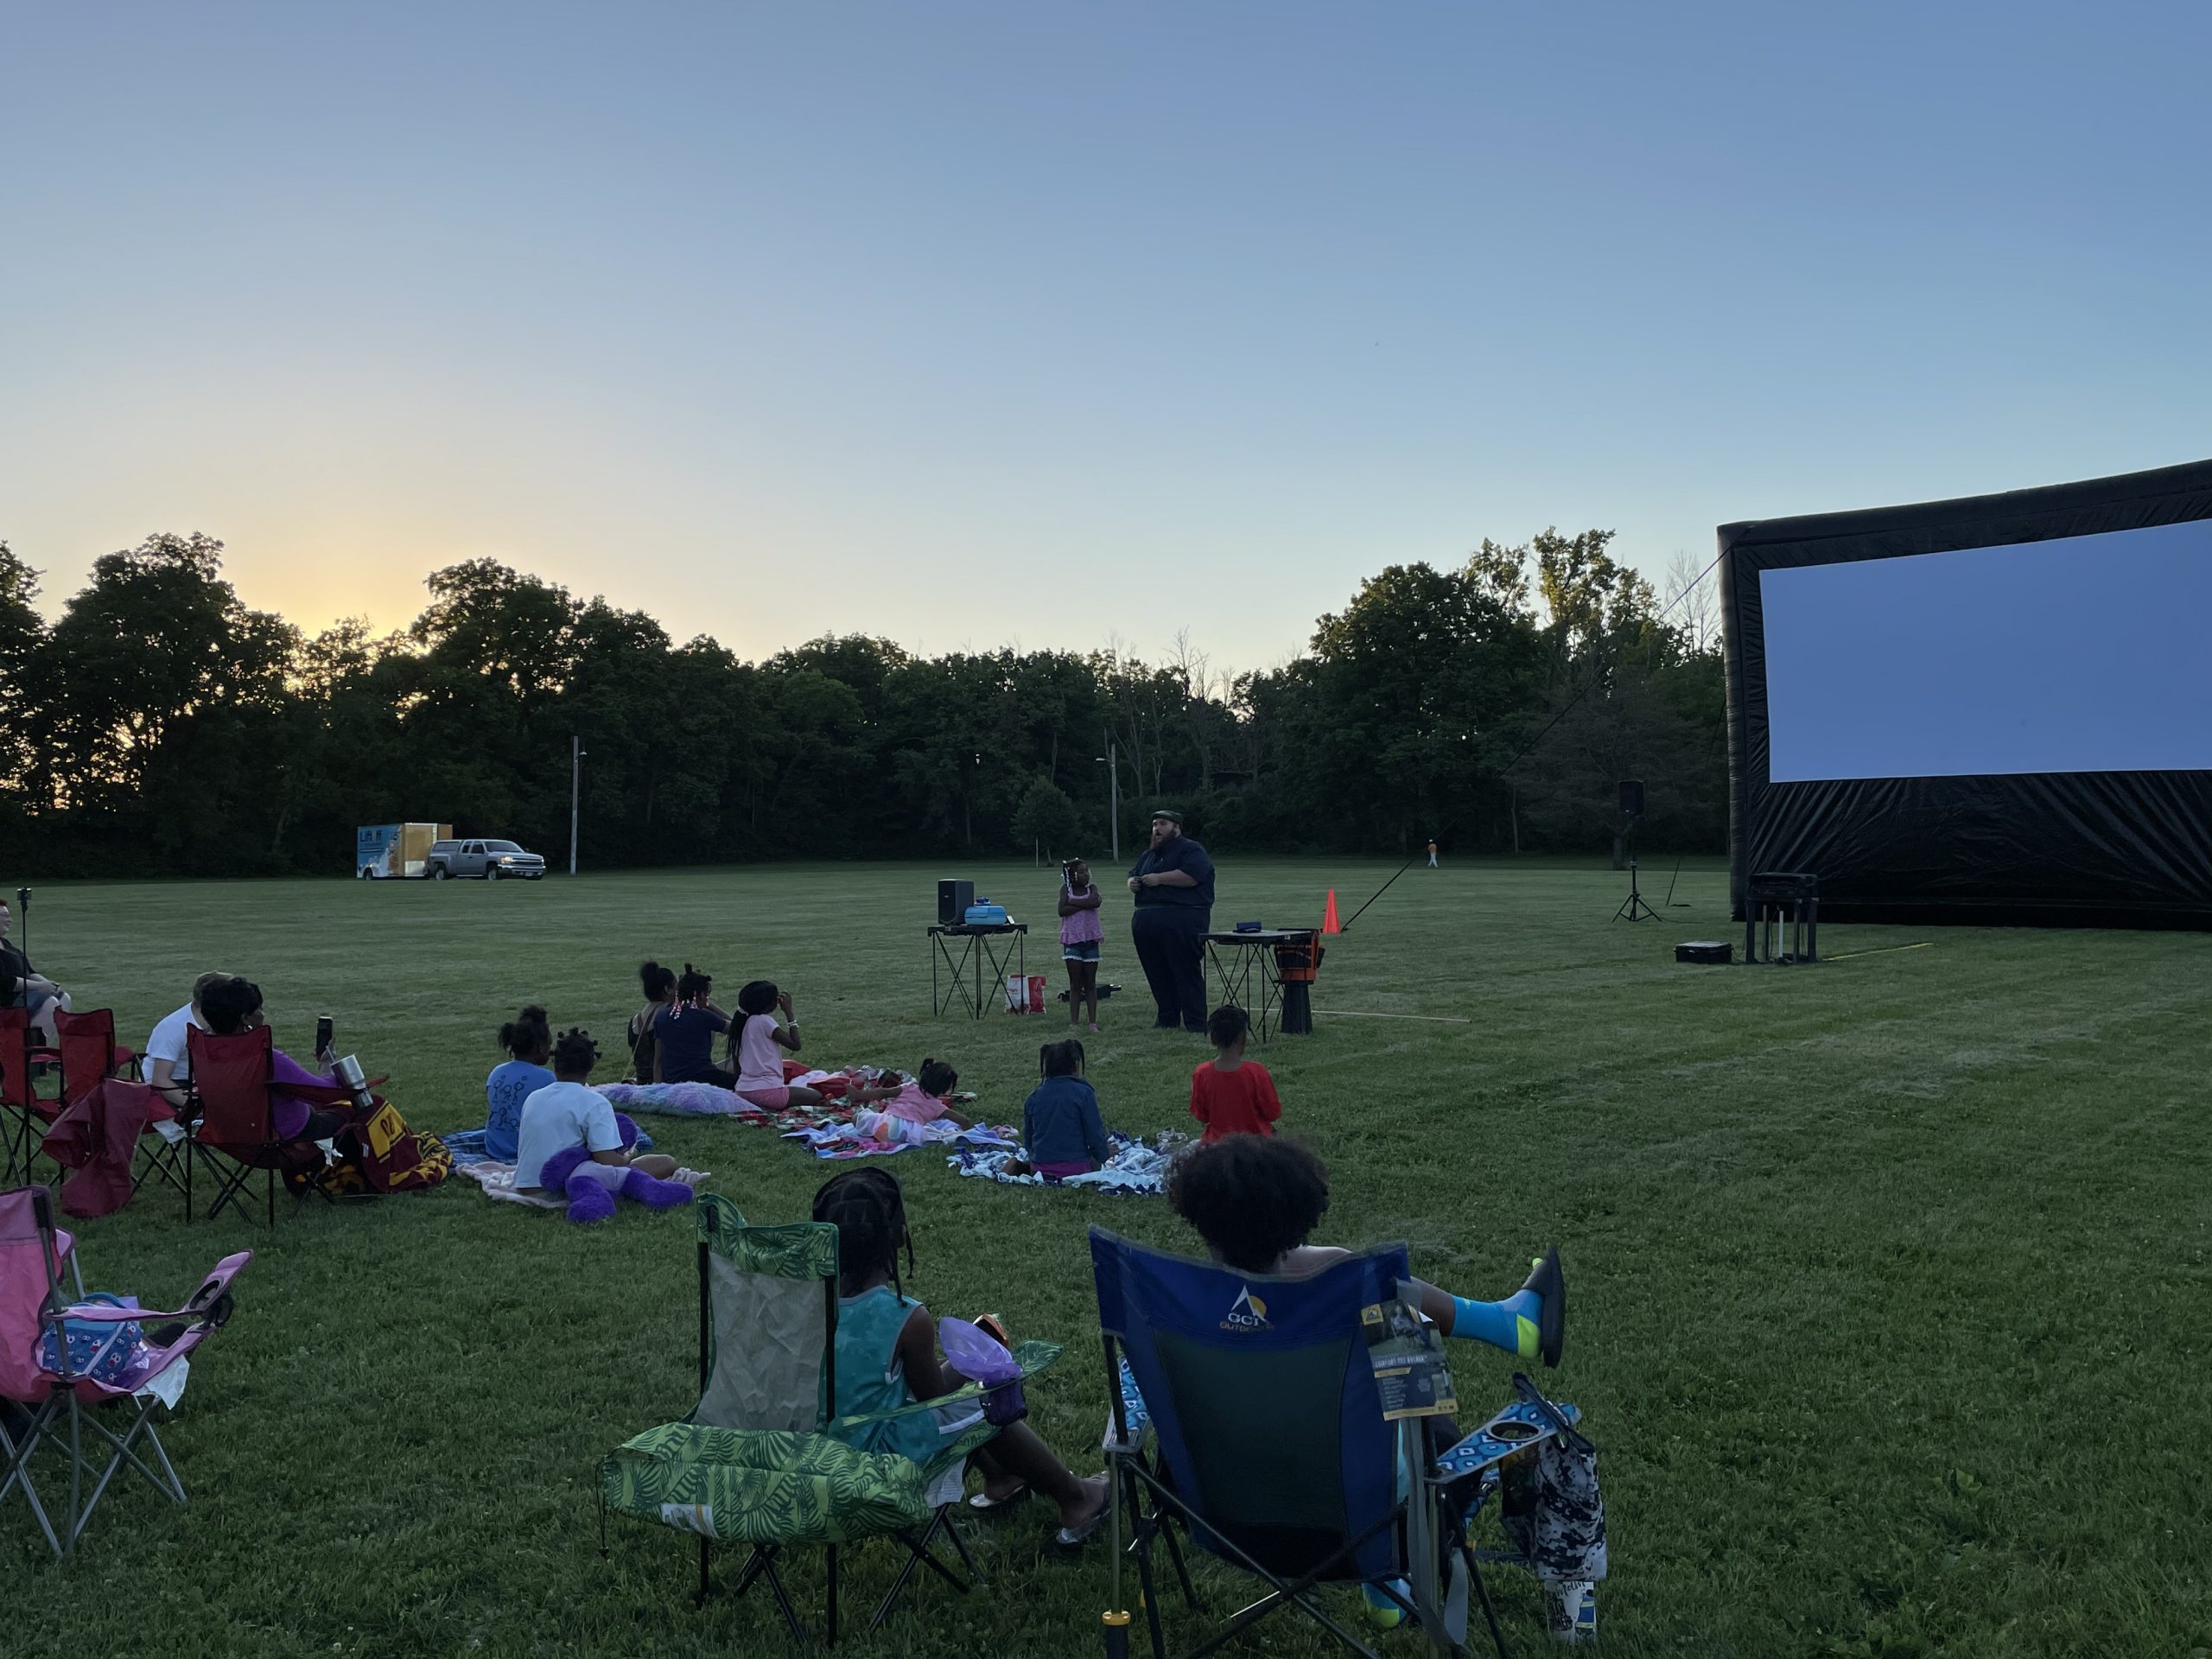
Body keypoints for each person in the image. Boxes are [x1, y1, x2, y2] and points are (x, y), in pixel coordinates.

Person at [810, 1168, 1109, 1542]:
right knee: (985, 1398)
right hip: (874, 1461)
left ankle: (1003, 1477)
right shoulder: (906, 1318)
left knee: (962, 1382)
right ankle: (1076, 1497)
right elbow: (933, 1399)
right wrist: (975, 1365)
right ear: (897, 1237)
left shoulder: (806, 1304)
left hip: (811, 1449)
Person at [1166, 1135, 1564, 1367]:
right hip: (1362, 1504)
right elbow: (1425, 1412)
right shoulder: (1352, 1297)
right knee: (1361, 1280)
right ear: (1298, 1221)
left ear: (1195, 1214)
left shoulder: (1164, 1305)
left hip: (1204, 1505)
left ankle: (1505, 1324)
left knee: (1346, 1269)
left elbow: (1129, 1438)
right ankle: (1503, 1324)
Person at [515, 1027, 686, 1195]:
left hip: (525, 1184)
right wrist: (627, 1156)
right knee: (666, 1162)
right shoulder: (594, 1102)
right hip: (564, 1184)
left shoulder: (534, 1097)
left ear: (556, 1065)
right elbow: (607, 1162)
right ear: (591, 1065)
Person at [196, 976, 351, 1143]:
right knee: (364, 1110)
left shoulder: (205, 1055)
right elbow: (324, 1093)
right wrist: (326, 1064)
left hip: (232, 1140)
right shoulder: (264, 1059)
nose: (263, 1014)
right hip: (284, 1139)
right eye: (259, 1009)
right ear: (245, 1018)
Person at [1125, 810, 1214, 1033]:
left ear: (1176, 827)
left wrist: (1159, 879)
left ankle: (1195, 1021)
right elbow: (1134, 873)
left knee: (1185, 970)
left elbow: (1192, 877)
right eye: (1154, 824)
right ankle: (1167, 1017)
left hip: (1181, 918)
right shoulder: (1150, 854)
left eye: (1162, 824)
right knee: (1156, 971)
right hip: (1147, 919)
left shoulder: (1191, 849)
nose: (1156, 828)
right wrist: (1131, 883)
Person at [1010, 1039, 1110, 1180]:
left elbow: (1029, 1139)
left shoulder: (1033, 1097)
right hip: (1078, 1170)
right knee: (1095, 1160)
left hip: (1039, 1170)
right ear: (1075, 1065)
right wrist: (1104, 1155)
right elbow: (1094, 1136)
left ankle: (1020, 1167)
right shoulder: (1084, 1093)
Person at [1189, 1005, 1282, 1143]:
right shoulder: (1257, 1072)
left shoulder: (1202, 1073)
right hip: (1257, 1147)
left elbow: (1202, 1116)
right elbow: (1273, 1113)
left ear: (1213, 1038)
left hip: (1217, 1147)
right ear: (1242, 1036)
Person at [145, 969, 234, 1110]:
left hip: (196, 1081)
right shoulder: (174, 1028)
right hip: (169, 1087)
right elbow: (160, 1081)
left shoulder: (221, 1020)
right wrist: (199, 1109)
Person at [729, 980, 825, 1110]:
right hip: (767, 1091)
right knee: (817, 1096)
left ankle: (759, 1105)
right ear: (768, 1004)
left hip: (742, 1091)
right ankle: (767, 1106)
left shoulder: (740, 1022)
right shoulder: (764, 1021)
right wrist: (789, 1013)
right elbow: (795, 1045)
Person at [482, 1005, 555, 1163]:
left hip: (494, 1148)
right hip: (524, 1151)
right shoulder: (547, 1079)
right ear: (541, 1047)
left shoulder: (496, 1072)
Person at [0, 894, 69, 1046]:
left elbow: (29, 971)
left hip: (22, 996)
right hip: (6, 1003)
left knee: (63, 998)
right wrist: (41, 987)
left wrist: (49, 985)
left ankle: (40, 1056)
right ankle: (29, 1058)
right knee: (49, 1003)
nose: (9, 920)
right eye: (4, 916)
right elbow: (7, 982)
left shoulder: (6, 943)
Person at [652, 964, 734, 1087]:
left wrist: (658, 1089)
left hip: (674, 1082)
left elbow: (658, 1059)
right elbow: (736, 1029)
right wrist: (710, 1006)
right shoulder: (704, 1016)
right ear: (701, 995)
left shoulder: (661, 1017)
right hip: (704, 1079)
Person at [1057, 858, 1105, 1032]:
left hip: (1091, 941)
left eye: (1087, 871)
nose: (1087, 874)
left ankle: (1092, 1022)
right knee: (1075, 984)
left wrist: (1073, 902)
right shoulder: (1065, 890)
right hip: (1073, 942)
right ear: (1073, 875)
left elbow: (1095, 902)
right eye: (1082, 871)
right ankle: (1074, 1022)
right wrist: (1085, 905)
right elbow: (1062, 911)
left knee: (1090, 984)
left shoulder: (1092, 889)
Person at [874, 1058, 969, 1130]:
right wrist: (970, 1131)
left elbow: (883, 1092)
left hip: (884, 1124)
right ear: (945, 1088)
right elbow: (963, 1121)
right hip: (907, 1133)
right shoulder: (938, 1106)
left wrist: (861, 1094)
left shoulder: (909, 1087)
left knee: (865, 1118)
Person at [626, 961, 677, 1083]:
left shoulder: (635, 1021)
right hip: (668, 1084)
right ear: (668, 989)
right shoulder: (670, 1015)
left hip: (642, 1084)